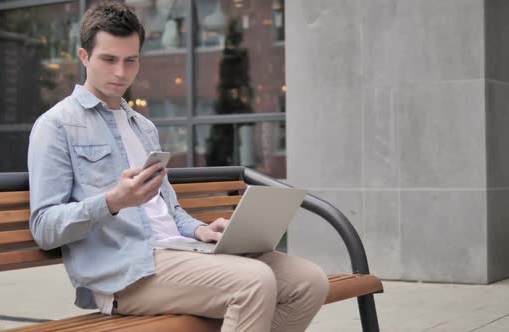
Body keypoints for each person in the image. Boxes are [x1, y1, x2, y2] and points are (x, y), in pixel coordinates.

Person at [27, 1, 329, 331]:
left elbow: (168, 211)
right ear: (84, 57)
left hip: (181, 252)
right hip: (126, 273)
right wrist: (113, 202)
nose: (121, 72)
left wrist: (201, 230)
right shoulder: (56, 126)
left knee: (309, 281)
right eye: (109, 59)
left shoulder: (143, 127)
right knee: (254, 282)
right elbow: (44, 228)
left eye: (131, 61)